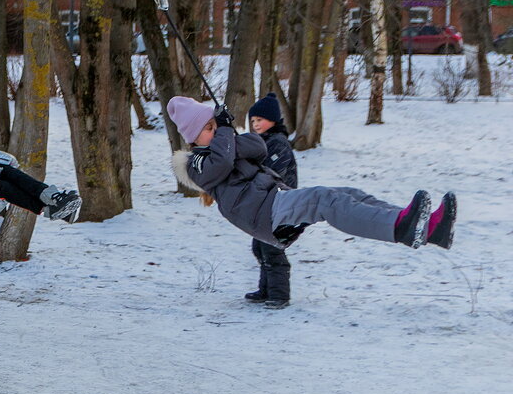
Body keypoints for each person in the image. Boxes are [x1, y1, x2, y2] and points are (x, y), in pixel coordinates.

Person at [166, 97, 457, 270]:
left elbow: (258, 147)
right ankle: (400, 227)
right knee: (325, 200)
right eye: (208, 128)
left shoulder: (223, 144)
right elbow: (221, 163)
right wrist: (225, 132)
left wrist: (227, 131)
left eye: (214, 125)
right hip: (262, 213)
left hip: (273, 201)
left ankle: (426, 228)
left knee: (348, 193)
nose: (215, 130)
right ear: (193, 137)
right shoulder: (195, 163)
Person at [244, 92, 298, 308]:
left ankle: (279, 294)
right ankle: (265, 289)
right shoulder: (262, 141)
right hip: (264, 204)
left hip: (280, 204)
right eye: (253, 121)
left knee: (273, 249)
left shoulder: (278, 143)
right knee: (260, 247)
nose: (256, 124)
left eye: (260, 119)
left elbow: (273, 173)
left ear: (273, 120)